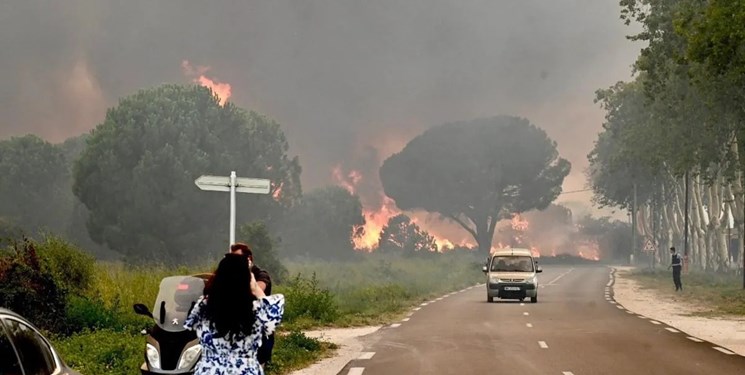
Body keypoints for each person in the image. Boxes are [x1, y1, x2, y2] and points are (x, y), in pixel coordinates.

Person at [184, 253, 284, 375]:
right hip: (245, 370)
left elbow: (190, 325)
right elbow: (273, 318)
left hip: (209, 370)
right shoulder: (255, 309)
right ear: (248, 278)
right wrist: (255, 288)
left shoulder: (204, 305)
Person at [230, 243, 275, 368]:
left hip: (258, 329)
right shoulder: (231, 276)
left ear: (248, 259)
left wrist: (247, 274)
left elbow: (258, 290)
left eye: (237, 258)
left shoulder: (260, 275)